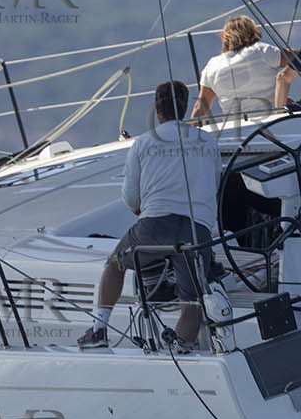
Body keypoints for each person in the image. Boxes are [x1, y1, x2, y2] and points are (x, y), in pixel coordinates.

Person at [79, 81, 220, 353]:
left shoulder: (143, 143)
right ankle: (181, 351)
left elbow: (131, 199)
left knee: (115, 264)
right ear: (185, 107)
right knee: (192, 303)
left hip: (154, 226)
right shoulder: (208, 141)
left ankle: (98, 330)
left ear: (157, 109)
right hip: (196, 230)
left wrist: (142, 212)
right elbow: (214, 186)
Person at [190, 15, 288, 121]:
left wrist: (189, 130)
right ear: (252, 32)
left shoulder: (212, 65)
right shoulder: (262, 51)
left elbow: (200, 108)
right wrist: (285, 80)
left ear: (225, 38)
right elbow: (297, 58)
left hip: (233, 127)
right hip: (271, 122)